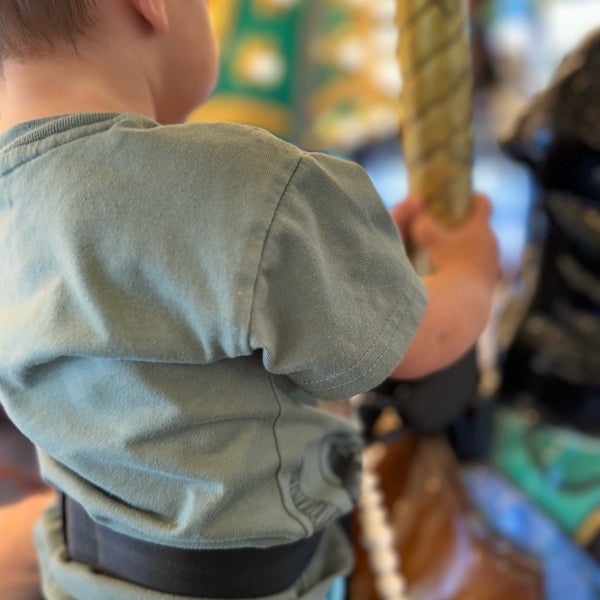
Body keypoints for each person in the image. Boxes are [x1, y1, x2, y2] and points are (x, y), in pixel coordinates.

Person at [0, 1, 500, 599]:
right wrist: (473, 269)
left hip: (81, 575)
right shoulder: (248, 181)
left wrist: (347, 265)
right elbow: (425, 342)